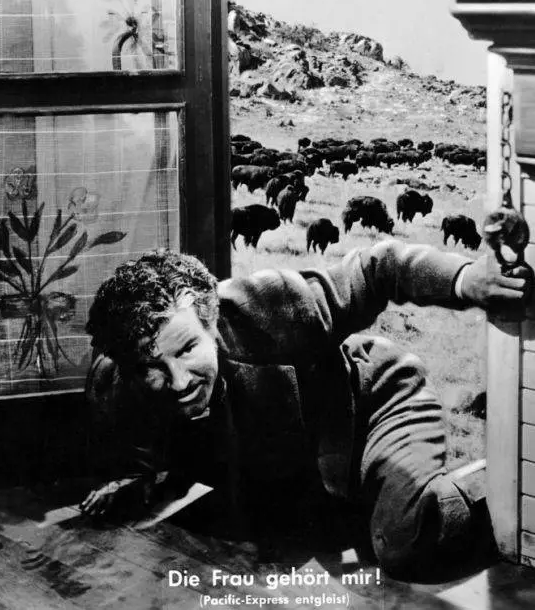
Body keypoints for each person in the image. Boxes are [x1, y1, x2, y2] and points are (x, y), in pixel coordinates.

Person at [81, 239, 532, 582]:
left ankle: (500, 481)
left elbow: (378, 268)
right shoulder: (112, 389)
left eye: (187, 350)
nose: (179, 381)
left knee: (403, 542)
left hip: (375, 402)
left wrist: (465, 279)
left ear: (211, 321)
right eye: (151, 368)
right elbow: (149, 440)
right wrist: (140, 478)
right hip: (308, 454)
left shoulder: (267, 305)